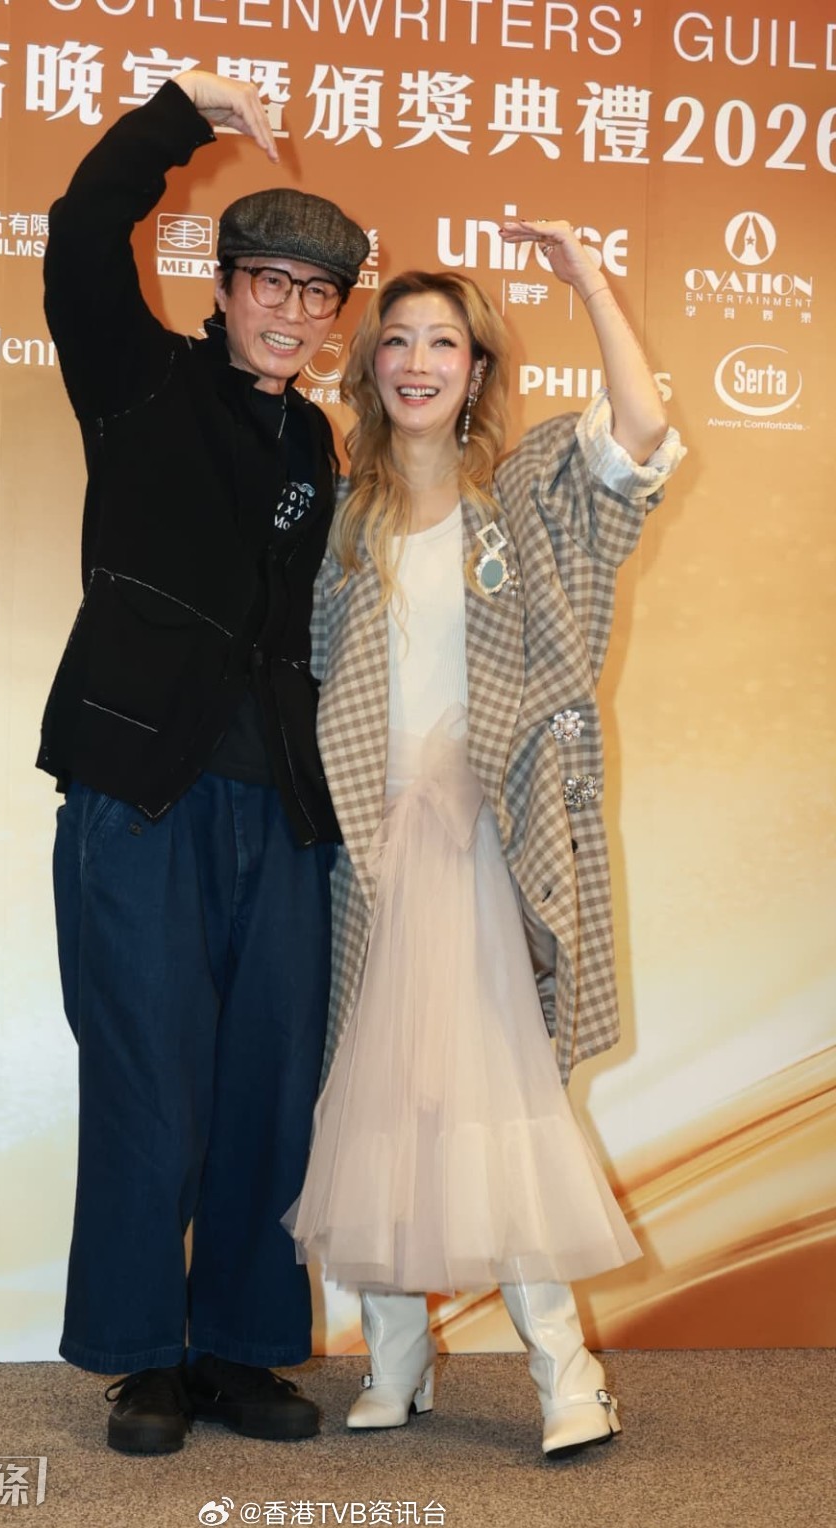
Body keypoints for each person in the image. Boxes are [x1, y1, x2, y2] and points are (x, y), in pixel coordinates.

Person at [286, 232, 685, 1456]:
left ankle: (566, 1372)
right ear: (371, 365)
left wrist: (592, 283)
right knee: (377, 1106)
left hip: (490, 846)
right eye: (396, 342)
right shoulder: (339, 524)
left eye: (442, 344)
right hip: (369, 855)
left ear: (475, 369)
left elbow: (638, 434)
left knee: (507, 1104)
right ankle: (396, 1355)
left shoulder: (526, 498)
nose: (417, 363)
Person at [39, 70, 369, 1455]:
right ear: (223, 289)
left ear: (334, 316)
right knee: (148, 1082)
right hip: (139, 794)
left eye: (317, 293)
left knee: (268, 1088)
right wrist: (186, 111)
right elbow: (83, 225)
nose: (291, 310)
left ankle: (238, 1345)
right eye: (268, 282)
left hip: (278, 813)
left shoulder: (317, 441)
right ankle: (142, 1358)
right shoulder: (139, 382)